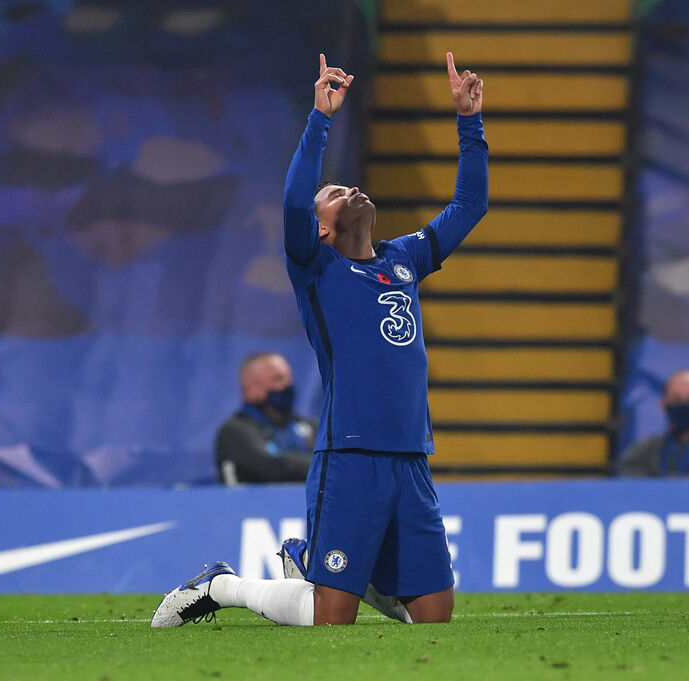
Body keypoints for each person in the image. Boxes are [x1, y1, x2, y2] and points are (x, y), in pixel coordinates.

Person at [151, 51, 486, 627]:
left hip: (411, 454)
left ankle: (356, 573)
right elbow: (291, 202)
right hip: (350, 454)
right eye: (332, 192)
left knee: (435, 619)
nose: (348, 188)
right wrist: (320, 117)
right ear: (323, 228)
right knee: (333, 620)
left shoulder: (404, 257)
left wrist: (468, 121)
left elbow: (470, 205)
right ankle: (222, 586)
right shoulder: (316, 267)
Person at [215, 352, 315, 484]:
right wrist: (322, 465)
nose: (288, 385)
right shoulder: (235, 431)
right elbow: (271, 465)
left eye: (289, 378)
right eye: (278, 379)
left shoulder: (308, 426)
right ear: (250, 389)